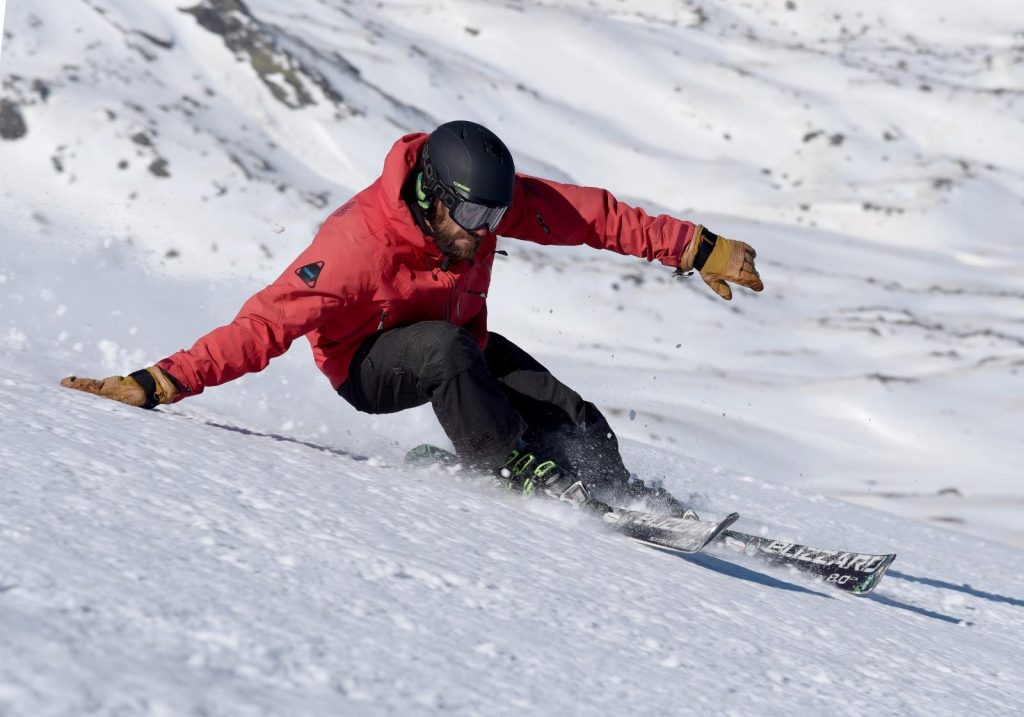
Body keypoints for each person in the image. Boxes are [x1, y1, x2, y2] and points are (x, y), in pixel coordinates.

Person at [60, 120, 763, 514]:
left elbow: (592, 217)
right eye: (473, 216)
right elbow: (262, 326)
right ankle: (504, 465)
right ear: (431, 195)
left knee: (572, 415)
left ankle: (614, 486)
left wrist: (696, 248)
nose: (486, 230)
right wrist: (153, 383)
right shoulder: (354, 250)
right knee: (446, 353)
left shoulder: (478, 210)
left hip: (456, 341)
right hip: (368, 366)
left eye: (496, 215)